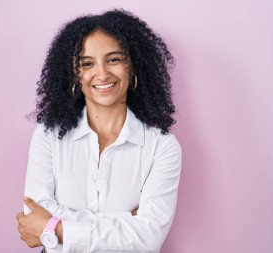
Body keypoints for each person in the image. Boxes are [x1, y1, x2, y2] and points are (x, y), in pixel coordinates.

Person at [16, 9, 182, 253]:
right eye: (87, 63)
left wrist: (57, 229)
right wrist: (126, 221)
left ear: (132, 67)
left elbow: (148, 239)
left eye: (114, 59)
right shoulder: (49, 134)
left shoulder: (162, 147)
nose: (102, 73)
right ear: (74, 74)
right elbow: (34, 217)